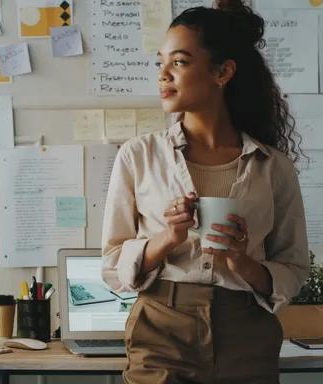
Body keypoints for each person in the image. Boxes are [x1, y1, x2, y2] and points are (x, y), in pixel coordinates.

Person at [101, 1, 310, 383]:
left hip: (247, 331)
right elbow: (113, 265)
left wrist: (242, 262)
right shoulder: (138, 156)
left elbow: (294, 267)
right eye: (159, 63)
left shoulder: (273, 165)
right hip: (162, 326)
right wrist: (168, 238)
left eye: (179, 62)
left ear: (223, 72)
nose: (163, 75)